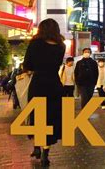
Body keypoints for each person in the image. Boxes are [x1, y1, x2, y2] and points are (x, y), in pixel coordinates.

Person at [23, 18, 66, 167]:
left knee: (37, 117)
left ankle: (37, 147)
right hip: (54, 85)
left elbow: (27, 64)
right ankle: (45, 154)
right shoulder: (61, 46)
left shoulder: (35, 43)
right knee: (51, 119)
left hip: (38, 84)